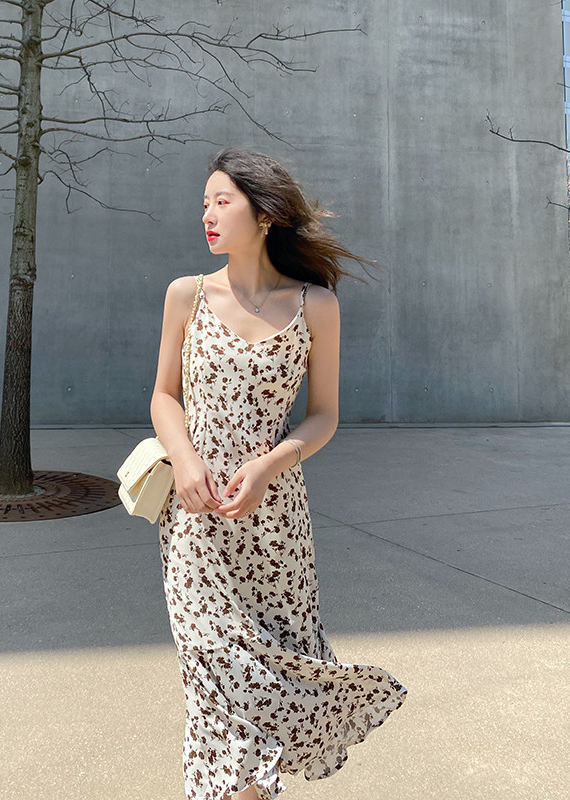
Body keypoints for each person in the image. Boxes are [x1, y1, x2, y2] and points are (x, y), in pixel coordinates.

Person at [150, 148, 407, 800]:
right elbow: (164, 397)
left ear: (264, 214)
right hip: (195, 521)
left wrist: (269, 464)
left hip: (277, 525)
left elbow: (324, 417)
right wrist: (184, 457)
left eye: (222, 201)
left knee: (276, 678)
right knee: (213, 678)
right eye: (204, 203)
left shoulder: (315, 305)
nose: (207, 215)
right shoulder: (186, 295)